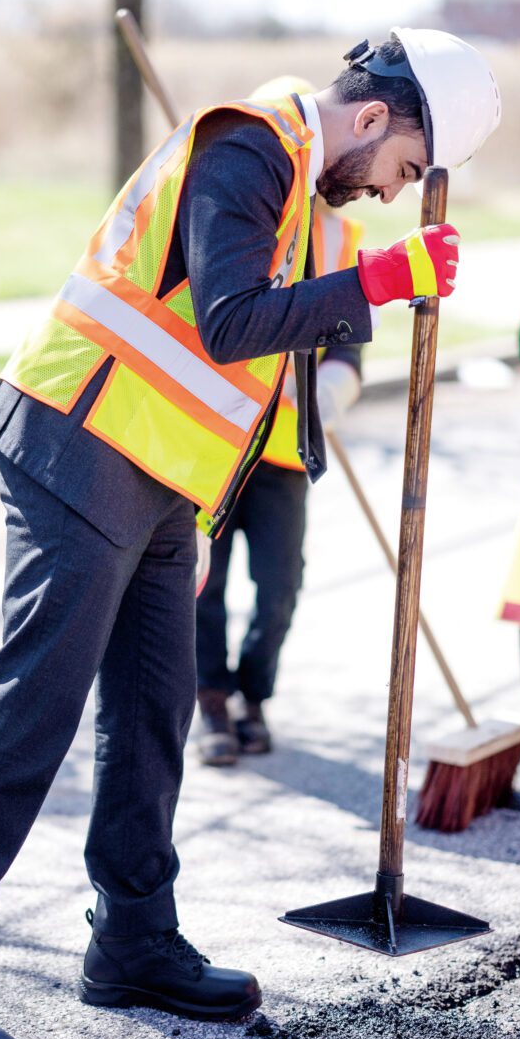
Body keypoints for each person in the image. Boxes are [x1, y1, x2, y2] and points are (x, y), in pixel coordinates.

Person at [0, 27, 500, 1039]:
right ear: (378, 117)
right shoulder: (248, 147)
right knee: (34, 713)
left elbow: (243, 382)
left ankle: (134, 939)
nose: (395, 193)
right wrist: (382, 282)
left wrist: (197, 512)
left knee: (156, 709)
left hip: (160, 478)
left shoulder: (306, 197)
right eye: (404, 171)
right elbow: (231, 322)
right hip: (79, 437)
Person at [196, 74, 364, 765]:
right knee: (203, 580)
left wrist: (322, 396)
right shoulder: (246, 208)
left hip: (286, 450)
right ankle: (210, 702)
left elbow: (349, 349)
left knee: (279, 586)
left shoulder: (341, 236)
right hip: (216, 439)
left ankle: (253, 693)